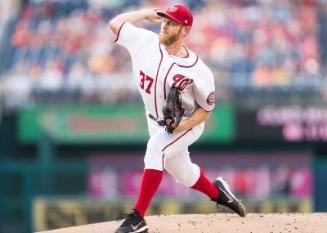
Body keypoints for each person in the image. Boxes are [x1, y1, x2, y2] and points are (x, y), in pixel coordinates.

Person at [108, 4, 246, 233]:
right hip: (155, 121)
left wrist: (185, 124)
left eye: (171, 22)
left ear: (185, 30)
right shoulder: (144, 41)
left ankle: (137, 218)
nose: (165, 25)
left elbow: (207, 109)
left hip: (187, 124)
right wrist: (144, 14)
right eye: (164, 20)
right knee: (184, 175)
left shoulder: (198, 71)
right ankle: (219, 193)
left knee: (155, 149)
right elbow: (115, 24)